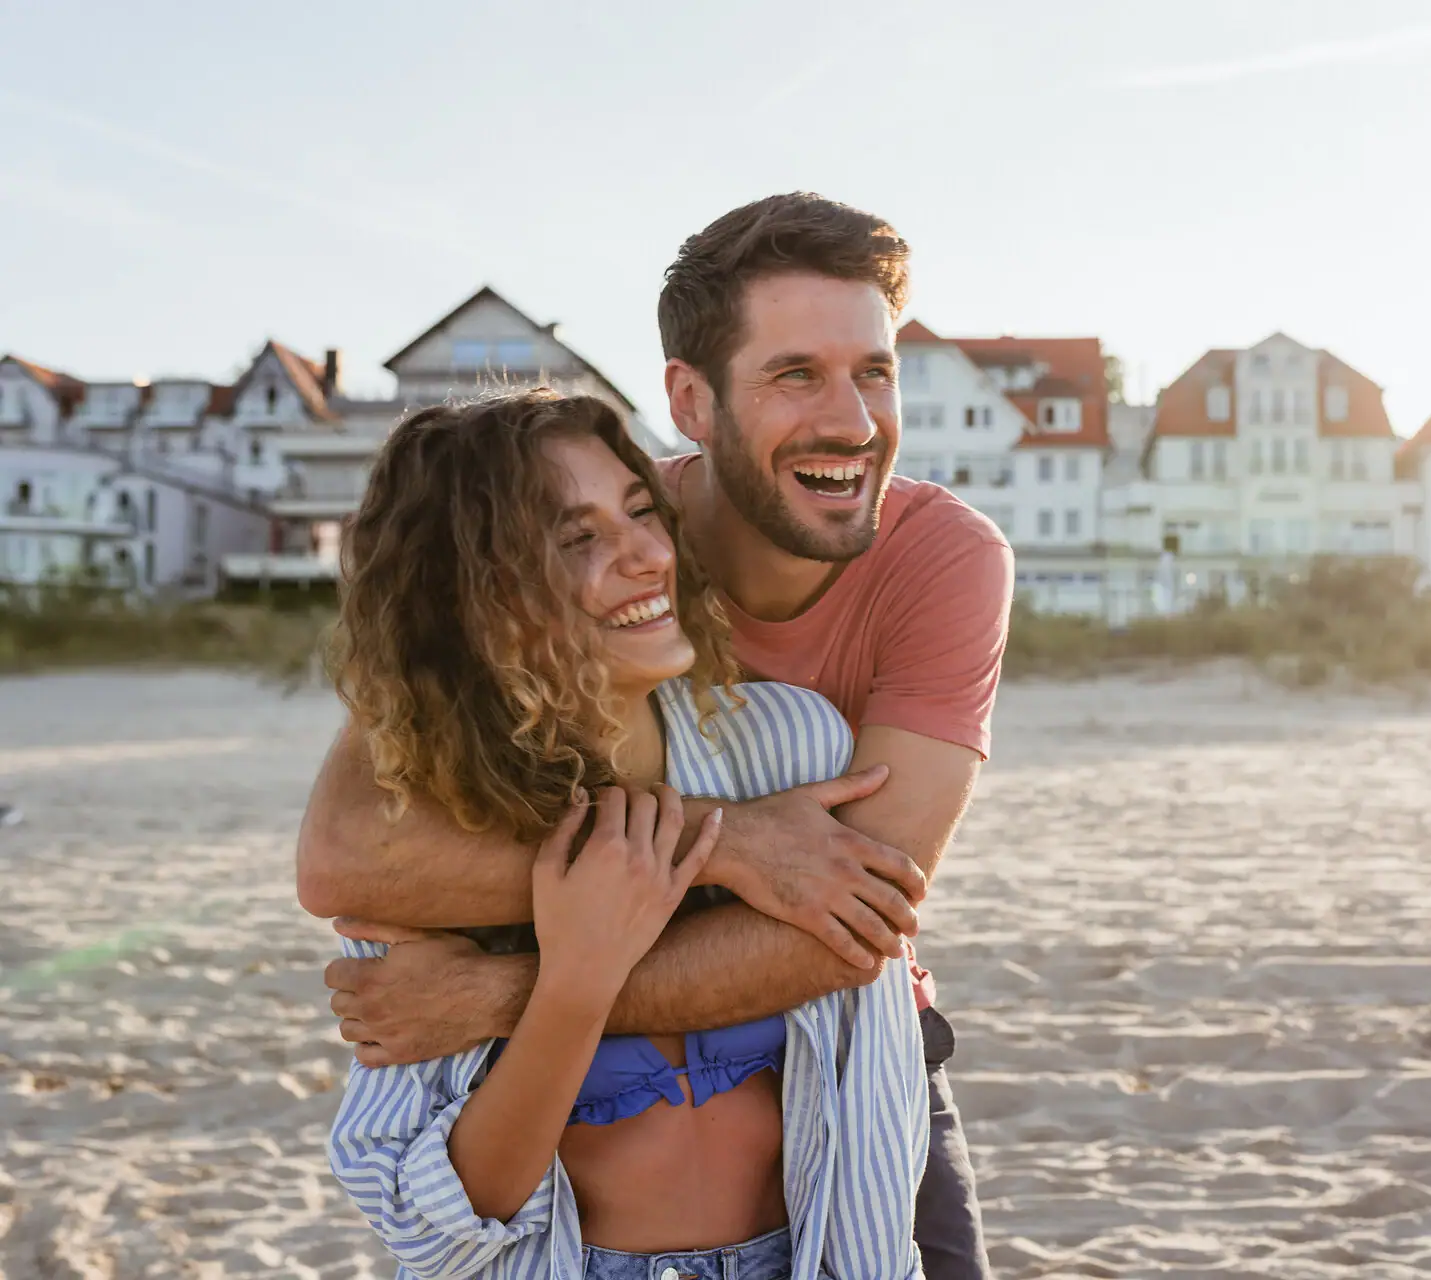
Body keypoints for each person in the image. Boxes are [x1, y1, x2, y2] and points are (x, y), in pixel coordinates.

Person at [300, 193, 1013, 1280]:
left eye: (874, 370)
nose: (855, 420)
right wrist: (719, 846)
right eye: (794, 374)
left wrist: (516, 991)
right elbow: (351, 857)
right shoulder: (553, 550)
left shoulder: (891, 619)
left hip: (838, 1067)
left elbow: (850, 915)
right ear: (691, 396)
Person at [325, 389, 927, 1279]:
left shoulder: (791, 747)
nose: (647, 556)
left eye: (642, 513)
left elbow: (870, 1071)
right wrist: (574, 979)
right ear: (475, 600)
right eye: (578, 539)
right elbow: (430, 1223)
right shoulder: (425, 836)